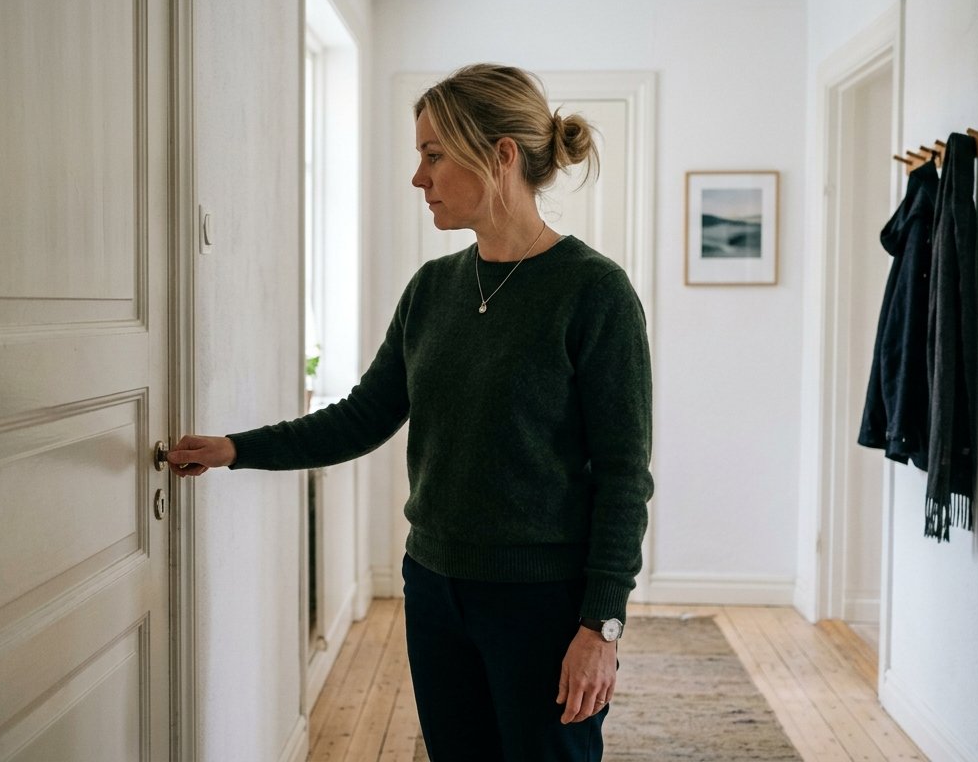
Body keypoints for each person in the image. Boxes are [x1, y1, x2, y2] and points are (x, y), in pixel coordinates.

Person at [170, 63, 653, 762]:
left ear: (501, 155)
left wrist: (601, 627)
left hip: (542, 603)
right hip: (432, 589)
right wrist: (236, 448)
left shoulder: (595, 292)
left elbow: (623, 476)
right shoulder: (432, 288)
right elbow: (364, 416)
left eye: (433, 154)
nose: (418, 178)